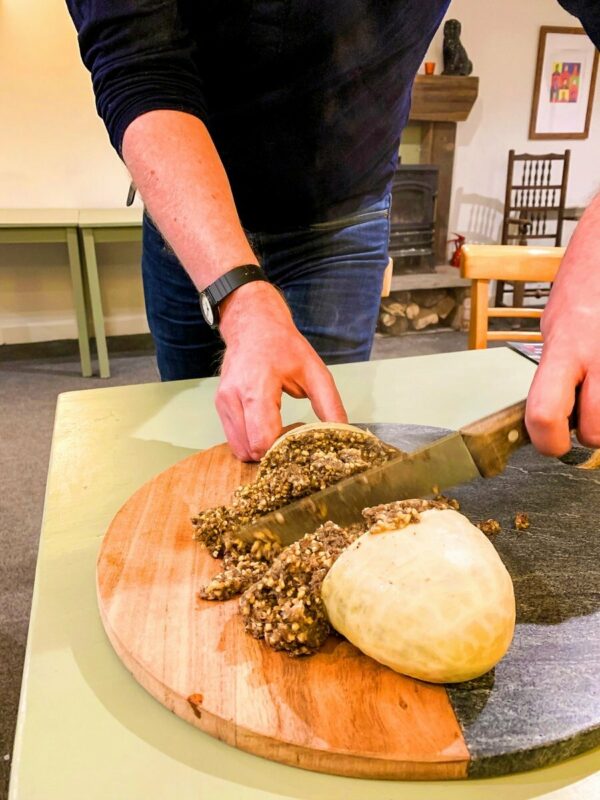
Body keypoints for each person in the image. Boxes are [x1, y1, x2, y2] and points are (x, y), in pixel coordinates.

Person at [66, 0, 600, 461]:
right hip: (189, 214)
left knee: (327, 449)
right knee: (199, 443)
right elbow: (138, 68)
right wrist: (240, 299)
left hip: (345, 211)